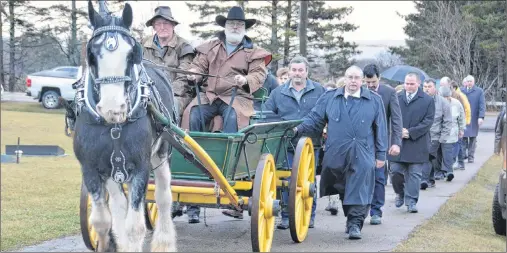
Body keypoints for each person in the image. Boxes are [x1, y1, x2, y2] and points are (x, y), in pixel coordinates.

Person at [182, 6, 272, 223]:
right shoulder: (211, 48)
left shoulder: (253, 52)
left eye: (239, 24)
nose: (235, 27)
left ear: (244, 28)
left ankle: (229, 167)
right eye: (231, 23)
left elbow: (259, 74)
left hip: (237, 97)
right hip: (210, 95)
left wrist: (246, 80)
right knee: (192, 112)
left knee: (233, 116)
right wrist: (194, 74)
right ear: (225, 26)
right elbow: (198, 65)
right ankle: (193, 161)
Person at [294, 65, 388, 240]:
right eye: (350, 77)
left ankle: (355, 224)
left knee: (360, 188)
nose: (353, 81)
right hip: (336, 153)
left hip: (363, 152)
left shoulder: (374, 100)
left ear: (362, 81)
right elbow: (315, 119)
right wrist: (297, 129)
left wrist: (381, 155)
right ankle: (350, 218)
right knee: (343, 186)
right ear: (344, 79)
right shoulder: (330, 97)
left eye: (356, 78)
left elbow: (381, 128)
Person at [263, 55, 325, 229]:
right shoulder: (277, 93)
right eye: (294, 70)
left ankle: (309, 215)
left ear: (307, 72)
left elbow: (322, 116)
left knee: (308, 182)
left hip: (311, 144)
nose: (297, 73)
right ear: (289, 72)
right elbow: (267, 115)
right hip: (285, 144)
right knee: (286, 180)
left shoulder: (319, 91)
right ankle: (286, 216)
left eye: (301, 70)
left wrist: (302, 128)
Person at [363, 64, 403, 225]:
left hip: (380, 142)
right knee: (362, 177)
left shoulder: (389, 92)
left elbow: (396, 120)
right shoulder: (359, 91)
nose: (370, 85)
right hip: (361, 142)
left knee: (379, 177)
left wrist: (396, 143)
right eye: (367, 82)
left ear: (379, 78)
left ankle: (376, 211)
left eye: (373, 82)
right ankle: (361, 208)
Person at [389, 72, 435, 213]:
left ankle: (411, 201)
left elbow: (428, 121)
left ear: (418, 84)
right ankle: (400, 193)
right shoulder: (396, 97)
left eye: (412, 84)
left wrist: (410, 132)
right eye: (406, 83)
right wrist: (397, 131)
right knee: (395, 171)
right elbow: (389, 117)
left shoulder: (427, 100)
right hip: (398, 142)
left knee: (414, 174)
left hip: (417, 142)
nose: (408, 86)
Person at [142, 6, 195, 118]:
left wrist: (163, 93)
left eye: (166, 23)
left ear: (173, 25)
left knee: (169, 108)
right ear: (154, 27)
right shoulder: (143, 44)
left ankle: (171, 136)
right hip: (147, 93)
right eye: (158, 23)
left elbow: (184, 78)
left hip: (177, 95)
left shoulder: (184, 46)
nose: (162, 27)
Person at [421, 78, 453, 189]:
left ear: (435, 88)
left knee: (428, 156)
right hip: (420, 135)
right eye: (425, 87)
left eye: (429, 87)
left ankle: (423, 180)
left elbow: (448, 121)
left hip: (435, 136)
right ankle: (430, 180)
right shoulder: (419, 100)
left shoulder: (443, 102)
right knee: (428, 158)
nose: (426, 89)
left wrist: (443, 138)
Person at [439, 85, 466, 178]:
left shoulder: (456, 103)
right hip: (438, 131)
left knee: (448, 152)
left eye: (447, 97)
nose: (446, 99)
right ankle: (439, 172)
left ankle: (448, 171)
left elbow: (461, 117)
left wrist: (462, 129)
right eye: (444, 97)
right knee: (438, 153)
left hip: (451, 131)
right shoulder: (437, 103)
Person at [460, 75, 486, 163]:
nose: (469, 83)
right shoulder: (461, 90)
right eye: (468, 81)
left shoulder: (479, 91)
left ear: (474, 82)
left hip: (474, 117)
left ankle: (471, 157)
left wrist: (481, 117)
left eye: (471, 81)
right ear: (465, 82)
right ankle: (463, 156)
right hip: (463, 117)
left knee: (472, 138)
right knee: (463, 137)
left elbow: (482, 105)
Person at [448, 79, 471, 170]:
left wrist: (465, 122)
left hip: (458, 123)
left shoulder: (460, 96)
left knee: (459, 143)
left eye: (450, 87)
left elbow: (465, 109)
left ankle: (459, 162)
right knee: (456, 143)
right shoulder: (447, 95)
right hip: (451, 123)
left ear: (454, 88)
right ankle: (458, 162)